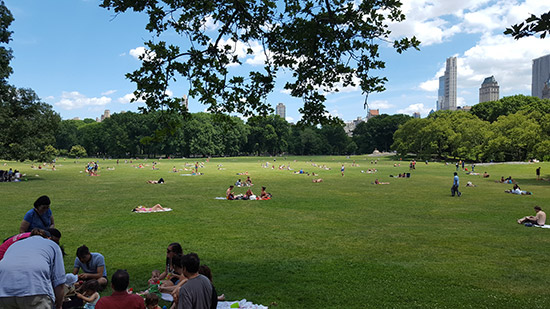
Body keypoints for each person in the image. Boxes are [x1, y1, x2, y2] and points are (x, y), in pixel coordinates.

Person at [0, 233, 65, 309]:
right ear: (48, 238)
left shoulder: (15, 245)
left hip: (3, 292)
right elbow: (59, 282)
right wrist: (59, 305)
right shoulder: (53, 245)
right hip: (35, 292)